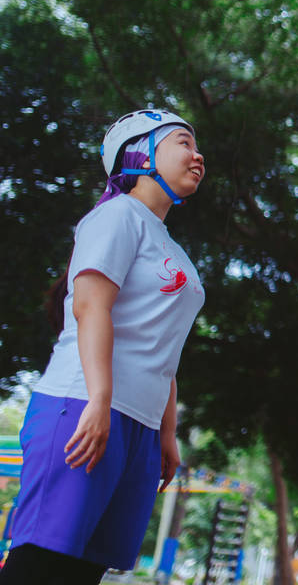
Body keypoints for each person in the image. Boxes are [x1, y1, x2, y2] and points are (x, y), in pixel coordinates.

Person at [0, 108, 206, 583]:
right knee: (42, 563)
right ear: (139, 154)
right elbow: (91, 308)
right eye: (182, 142)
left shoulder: (171, 246)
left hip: (139, 423)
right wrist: (99, 400)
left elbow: (165, 348)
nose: (198, 155)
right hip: (84, 404)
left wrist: (166, 432)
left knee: (85, 570)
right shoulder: (116, 216)